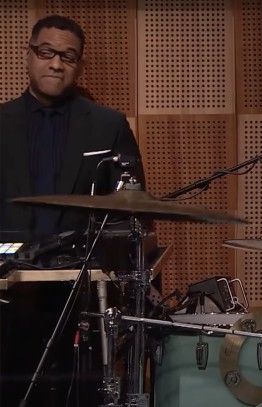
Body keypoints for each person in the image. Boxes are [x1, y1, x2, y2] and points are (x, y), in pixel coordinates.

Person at [0, 14, 143, 406]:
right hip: (7, 297)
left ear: (78, 65)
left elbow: (131, 212)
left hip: (80, 295)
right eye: (46, 52)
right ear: (28, 56)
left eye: (68, 55)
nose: (56, 63)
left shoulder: (107, 125)